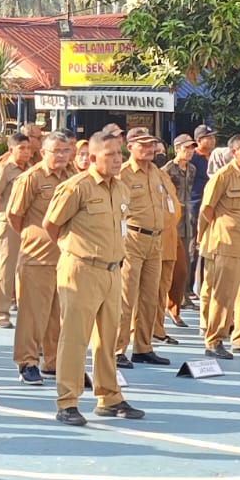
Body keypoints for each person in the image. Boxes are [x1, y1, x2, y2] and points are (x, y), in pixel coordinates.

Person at [43, 130, 144, 426]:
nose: (118, 160)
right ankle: (67, 401)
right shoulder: (77, 187)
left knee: (108, 338)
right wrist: (70, 249)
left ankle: (109, 396)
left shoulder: (121, 188)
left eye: (119, 154)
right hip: (81, 270)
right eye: (111, 155)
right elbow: (51, 224)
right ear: (93, 157)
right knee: (75, 338)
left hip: (113, 271)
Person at [7, 133, 75, 385]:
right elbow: (15, 216)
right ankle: (27, 362)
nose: (60, 156)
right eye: (55, 151)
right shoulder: (31, 178)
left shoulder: (72, 177)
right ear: (43, 153)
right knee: (33, 314)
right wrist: (34, 236)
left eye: (65, 151)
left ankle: (53, 362)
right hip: (38, 255)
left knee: (59, 314)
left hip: (66, 255)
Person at [197, 133, 240, 358]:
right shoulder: (222, 176)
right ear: (234, 152)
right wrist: (218, 231)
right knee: (224, 295)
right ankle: (214, 340)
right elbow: (207, 210)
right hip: (227, 243)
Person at [116, 128, 176, 368]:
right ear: (130, 147)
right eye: (143, 145)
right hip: (132, 238)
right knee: (126, 297)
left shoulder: (156, 173)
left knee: (151, 296)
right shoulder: (123, 174)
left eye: (152, 144)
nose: (149, 149)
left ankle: (143, 347)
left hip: (155, 240)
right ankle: (118, 348)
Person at [0, 132, 35, 329]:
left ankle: (23, 308)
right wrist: (2, 215)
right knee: (6, 267)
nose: (25, 152)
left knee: (24, 268)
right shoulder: (4, 170)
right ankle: (0, 311)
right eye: (21, 148)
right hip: (8, 222)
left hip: (27, 223)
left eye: (28, 148)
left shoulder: (31, 169)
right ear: (11, 150)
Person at [161, 133, 197, 327]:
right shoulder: (166, 170)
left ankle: (180, 301)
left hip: (186, 218)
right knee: (169, 266)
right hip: (170, 219)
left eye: (192, 148)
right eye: (186, 148)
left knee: (185, 266)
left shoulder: (192, 169)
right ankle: (168, 306)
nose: (189, 152)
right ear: (177, 149)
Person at [187, 124, 216, 295]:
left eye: (213, 137)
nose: (212, 140)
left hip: (210, 207)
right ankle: (189, 287)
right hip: (195, 206)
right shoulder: (193, 158)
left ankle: (206, 284)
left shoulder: (214, 158)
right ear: (198, 141)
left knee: (209, 247)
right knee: (194, 246)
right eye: (209, 137)